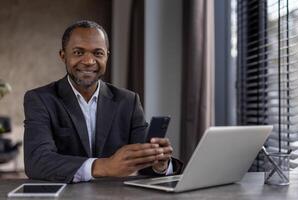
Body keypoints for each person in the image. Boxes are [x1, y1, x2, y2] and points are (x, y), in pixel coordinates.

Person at [23, 20, 182, 183]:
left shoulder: (128, 101)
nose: (89, 61)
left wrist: (159, 164)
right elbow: (37, 161)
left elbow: (143, 162)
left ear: (107, 56)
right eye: (78, 52)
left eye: (97, 53)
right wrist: (103, 166)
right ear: (63, 56)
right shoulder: (40, 99)